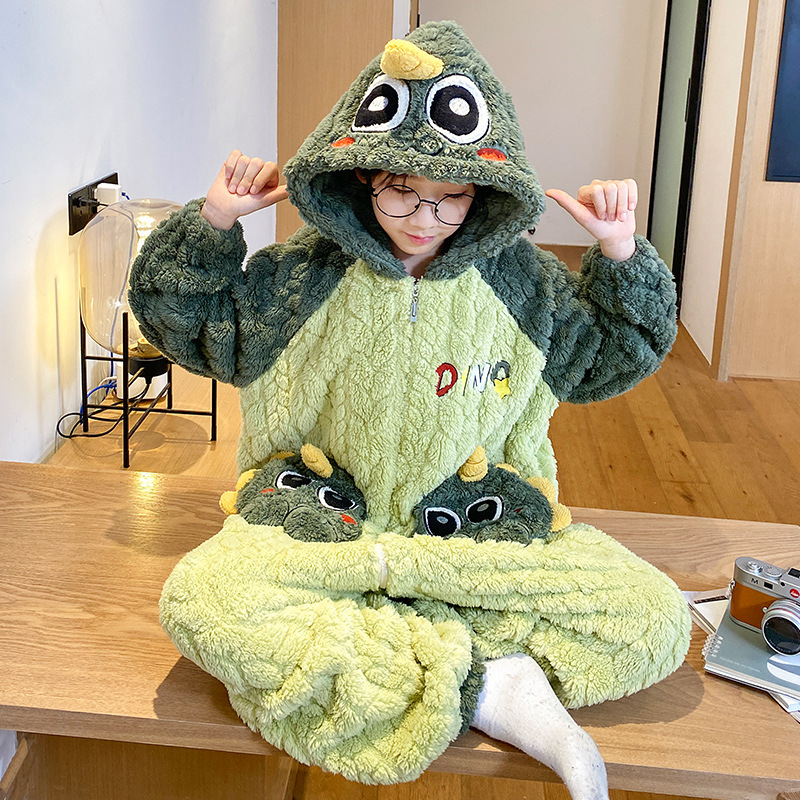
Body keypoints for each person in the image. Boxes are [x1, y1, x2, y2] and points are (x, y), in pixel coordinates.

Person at [133, 21, 689, 800]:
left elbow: (612, 356)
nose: (424, 217)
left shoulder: (524, 285)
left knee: (653, 620)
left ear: (483, 192)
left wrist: (621, 252)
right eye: (401, 190)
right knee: (200, 604)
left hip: (480, 536)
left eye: (451, 197)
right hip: (320, 526)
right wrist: (216, 222)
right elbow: (188, 324)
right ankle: (489, 682)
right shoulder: (298, 278)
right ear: (363, 174)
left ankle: (398, 649)